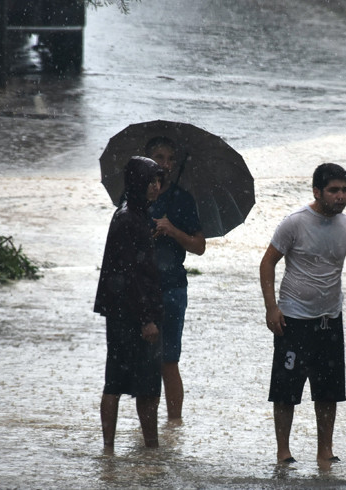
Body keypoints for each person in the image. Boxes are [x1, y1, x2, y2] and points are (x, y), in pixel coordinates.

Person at [259, 163, 346, 466]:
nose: (341, 196)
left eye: (344, 190)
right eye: (334, 190)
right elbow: (267, 263)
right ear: (317, 191)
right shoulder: (295, 223)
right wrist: (271, 308)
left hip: (330, 319)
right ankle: (283, 452)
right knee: (286, 390)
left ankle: (324, 451)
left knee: (328, 392)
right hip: (293, 320)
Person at [95, 156, 165, 450]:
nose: (156, 187)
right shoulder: (128, 218)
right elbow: (132, 275)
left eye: (158, 181)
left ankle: (119, 449)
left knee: (122, 382)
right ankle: (141, 447)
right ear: (138, 182)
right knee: (140, 385)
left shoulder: (133, 215)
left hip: (122, 312)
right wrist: (146, 318)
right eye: (151, 181)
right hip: (132, 315)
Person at [145, 136, 206, 422]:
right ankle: (148, 428)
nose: (166, 164)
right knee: (142, 361)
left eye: (170, 159)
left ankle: (173, 426)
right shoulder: (132, 197)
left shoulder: (182, 199)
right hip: (140, 288)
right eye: (159, 157)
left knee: (169, 360)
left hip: (172, 288)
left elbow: (199, 246)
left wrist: (173, 231)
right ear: (146, 160)